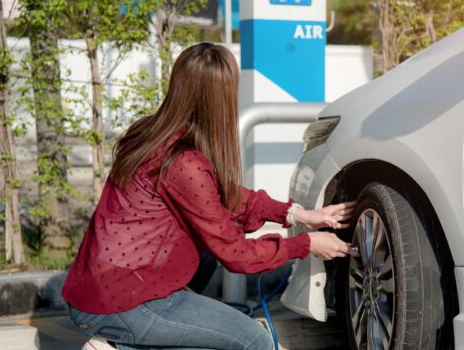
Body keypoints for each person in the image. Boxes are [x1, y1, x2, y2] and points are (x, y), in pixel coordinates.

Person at [62, 42, 355, 350]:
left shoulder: (149, 132)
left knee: (204, 260)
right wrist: (305, 244)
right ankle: (123, 344)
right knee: (253, 341)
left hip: (97, 286)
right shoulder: (184, 162)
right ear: (220, 98)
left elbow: (220, 196)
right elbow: (235, 253)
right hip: (119, 303)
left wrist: (295, 214)